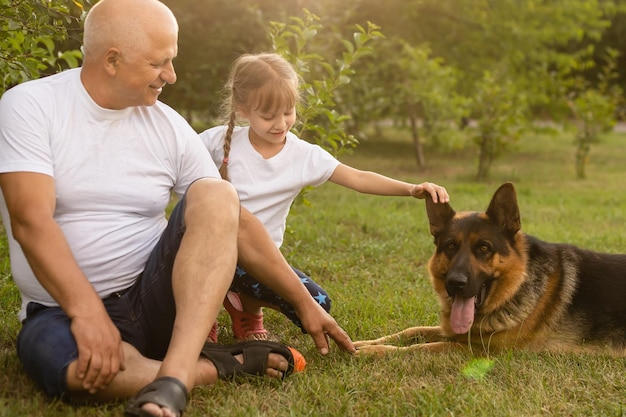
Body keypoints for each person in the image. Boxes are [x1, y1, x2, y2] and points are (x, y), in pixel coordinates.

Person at [0, 2, 355, 416]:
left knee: (218, 194)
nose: (171, 75)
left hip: (155, 298)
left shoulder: (167, 124)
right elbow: (30, 221)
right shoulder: (30, 106)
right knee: (81, 373)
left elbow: (231, 219)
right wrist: (88, 314)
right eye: (159, 63)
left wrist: (304, 302)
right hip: (60, 310)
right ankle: (222, 365)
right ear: (112, 60)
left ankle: (170, 379)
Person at [199, 53, 450, 343]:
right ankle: (202, 314)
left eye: (288, 112)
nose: (280, 124)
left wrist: (410, 188)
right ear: (243, 109)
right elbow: (172, 163)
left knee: (317, 303)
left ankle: (244, 306)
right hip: (209, 254)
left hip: (261, 262)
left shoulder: (303, 155)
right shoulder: (217, 141)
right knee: (199, 263)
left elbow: (357, 177)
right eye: (268, 116)